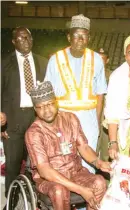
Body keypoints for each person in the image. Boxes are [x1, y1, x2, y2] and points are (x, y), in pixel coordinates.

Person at [25, 81, 111, 210]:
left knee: (99, 182)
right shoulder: (34, 133)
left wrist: (98, 162)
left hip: (75, 172)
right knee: (59, 191)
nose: (46, 110)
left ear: (56, 102)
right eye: (40, 107)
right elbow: (45, 171)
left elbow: (84, 147)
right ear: (35, 109)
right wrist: (81, 190)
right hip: (49, 180)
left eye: (49, 104)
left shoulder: (70, 119)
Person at [44, 14, 107, 173]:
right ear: (68, 37)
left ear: (89, 38)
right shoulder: (55, 59)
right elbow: (48, 94)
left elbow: (100, 95)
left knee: (88, 163)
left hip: (89, 119)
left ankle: (87, 196)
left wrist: (97, 122)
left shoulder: (97, 59)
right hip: (63, 118)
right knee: (64, 160)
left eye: (83, 36)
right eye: (76, 36)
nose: (79, 40)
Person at [1, 26, 48, 197]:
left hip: (37, 119)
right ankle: (11, 200)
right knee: (13, 164)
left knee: (36, 163)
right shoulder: (4, 64)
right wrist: (1, 125)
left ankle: (34, 198)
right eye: (20, 38)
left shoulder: (43, 62)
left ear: (32, 39)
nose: (25, 41)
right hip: (12, 120)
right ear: (14, 42)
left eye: (27, 37)